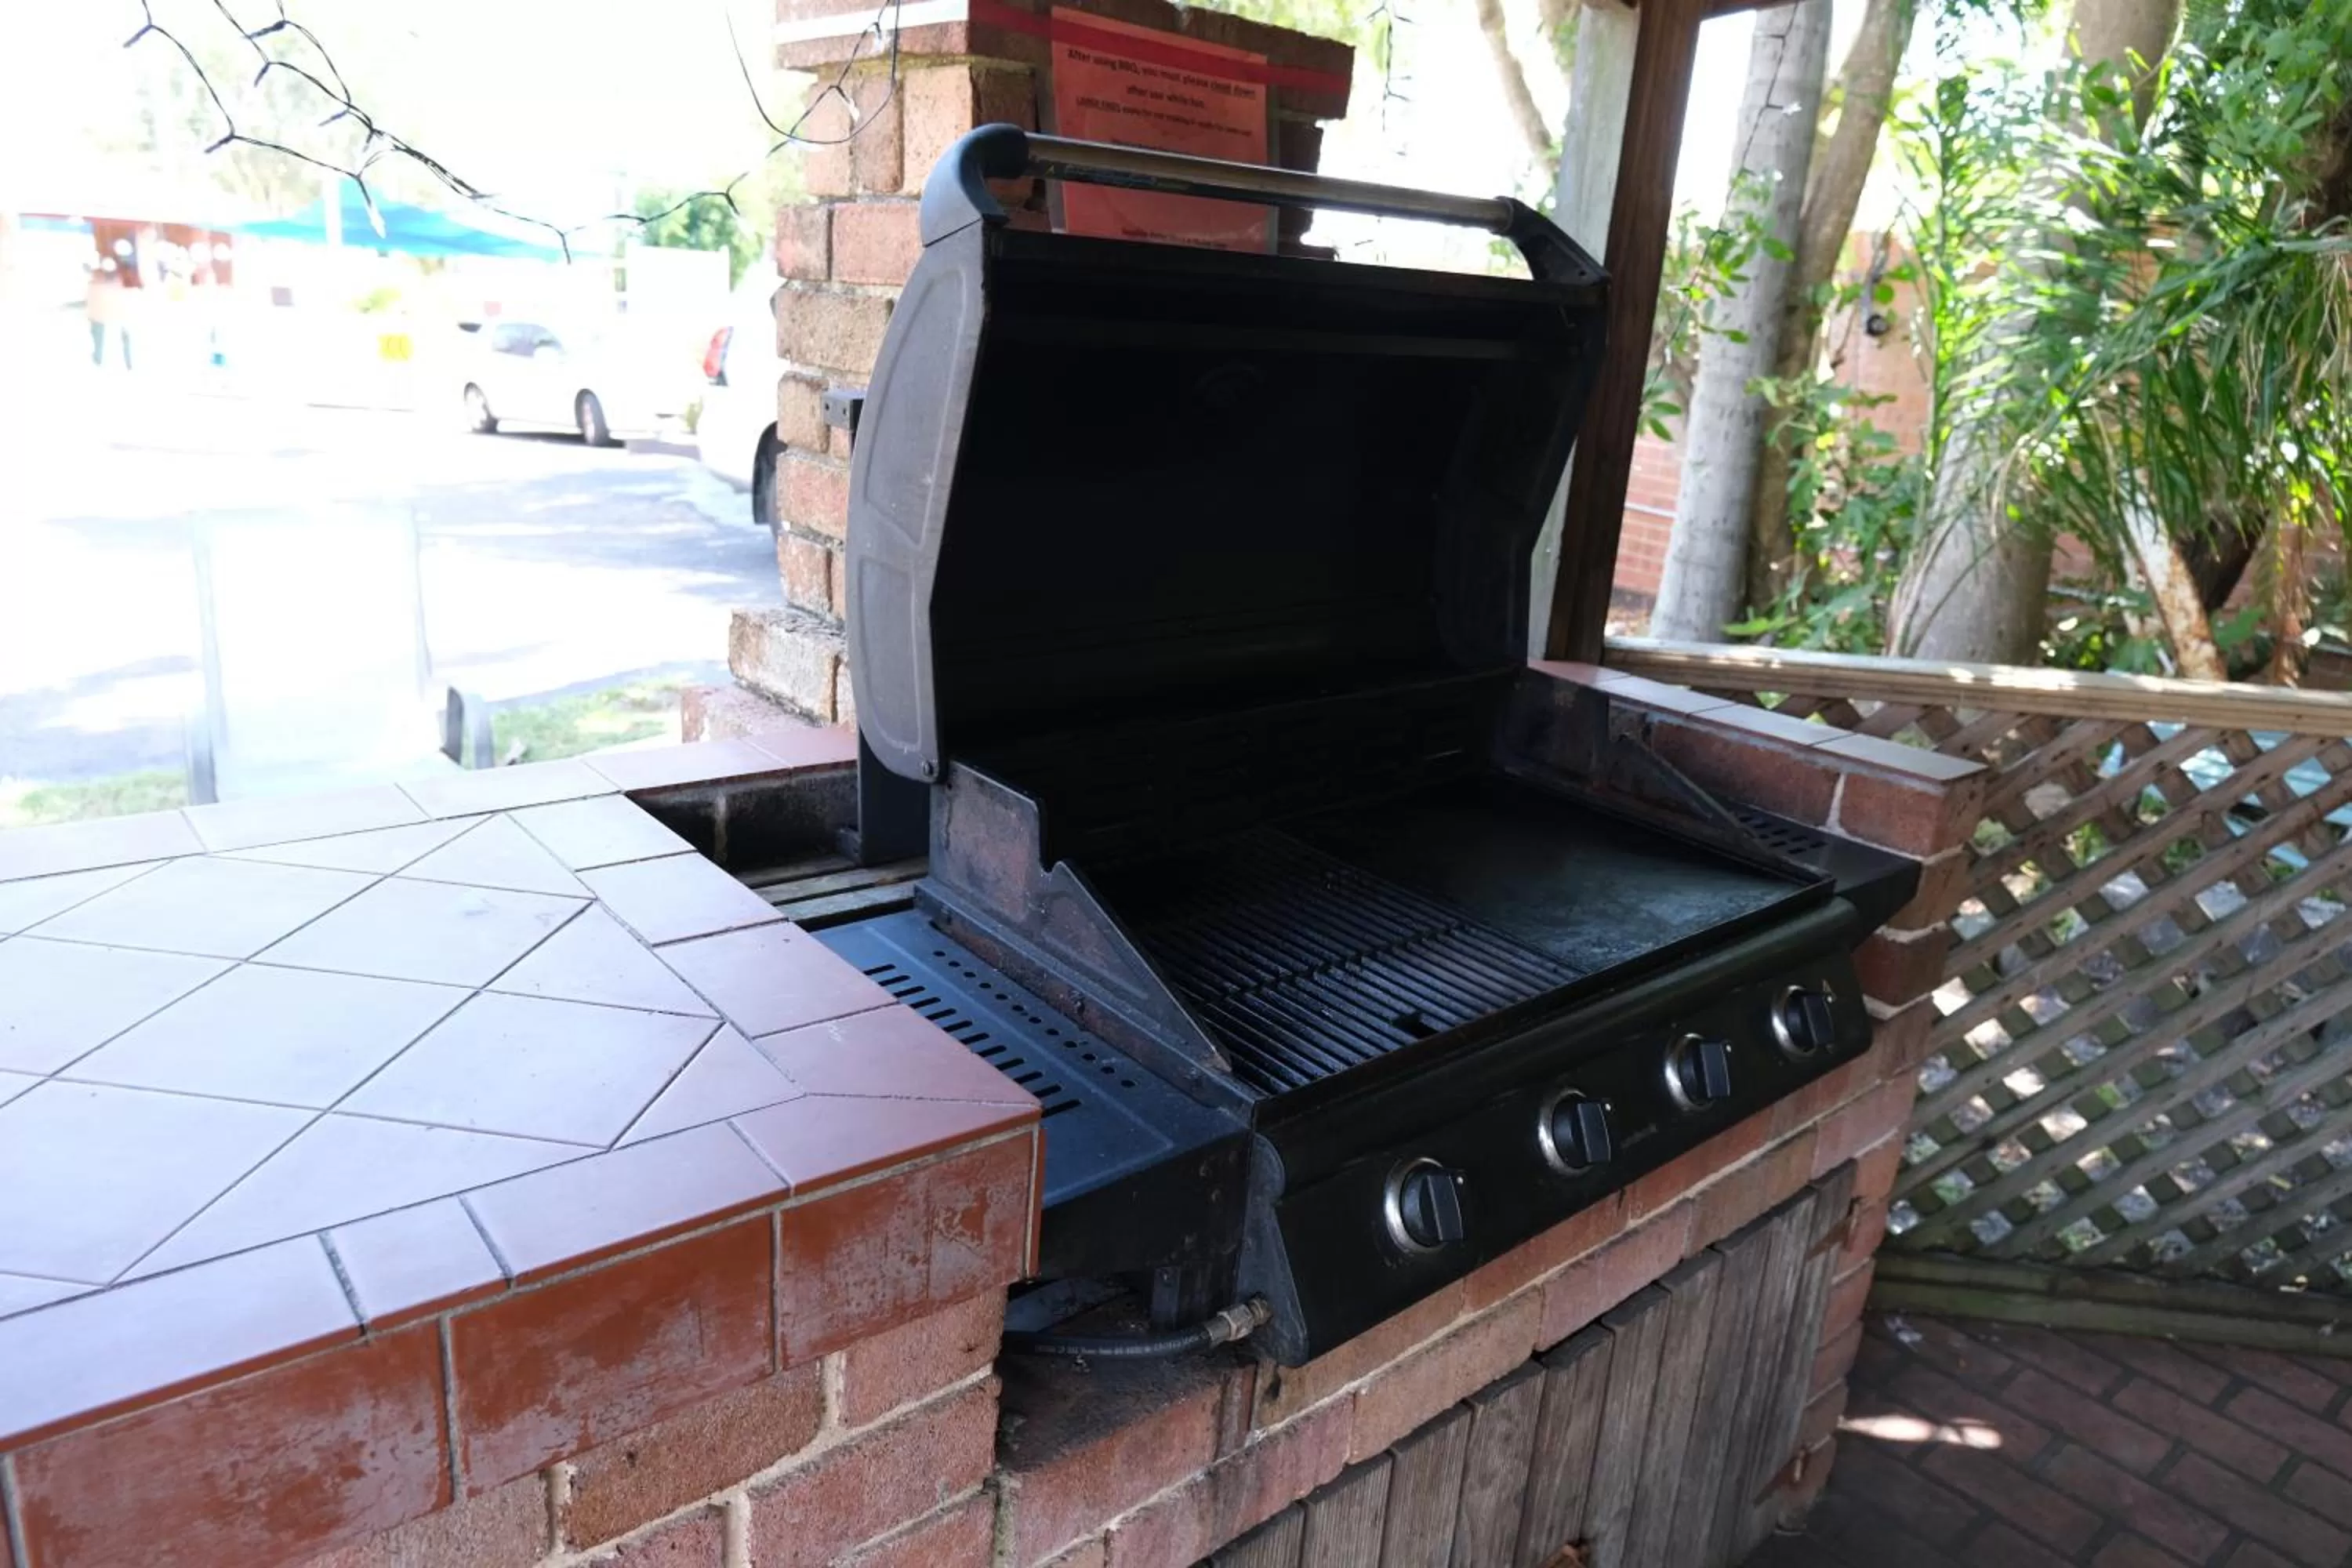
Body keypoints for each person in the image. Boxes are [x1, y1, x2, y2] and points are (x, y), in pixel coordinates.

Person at [85, 260, 131, 369]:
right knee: (101, 338)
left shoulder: (97, 284)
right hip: (109, 317)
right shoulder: (115, 283)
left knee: (98, 338)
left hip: (101, 317)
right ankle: (127, 363)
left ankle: (98, 359)